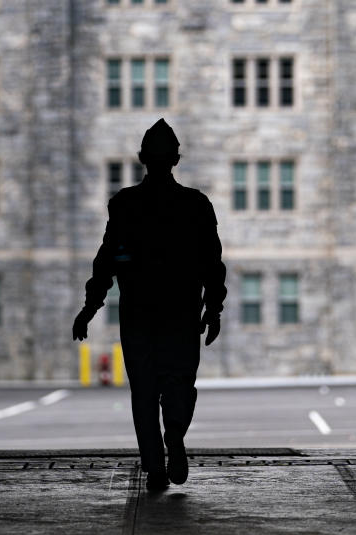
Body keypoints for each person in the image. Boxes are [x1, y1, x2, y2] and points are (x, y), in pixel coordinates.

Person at [72, 119, 227, 491]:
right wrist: (214, 308)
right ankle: (174, 432)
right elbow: (212, 262)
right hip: (182, 312)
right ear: (175, 158)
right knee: (179, 382)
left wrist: (90, 307)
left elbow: (107, 259)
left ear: (143, 159)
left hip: (139, 314)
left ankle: (155, 464)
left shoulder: (125, 204)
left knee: (143, 391)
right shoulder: (196, 204)